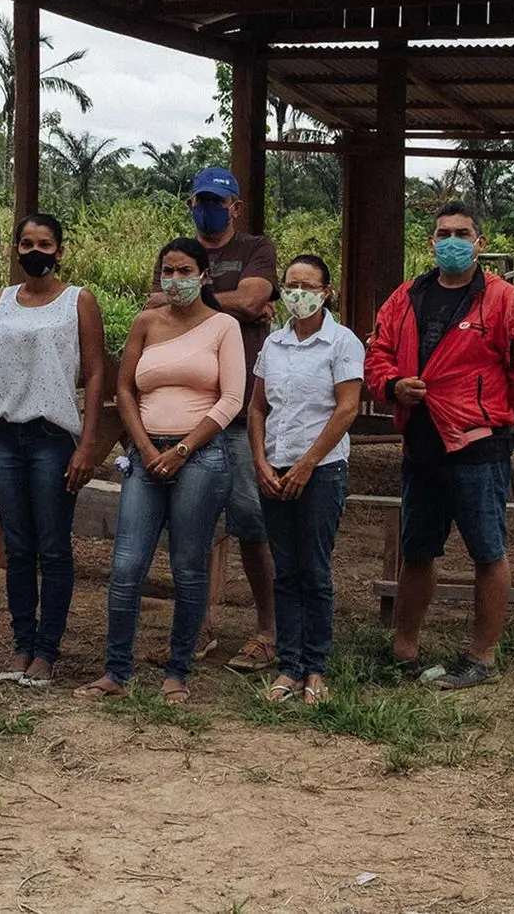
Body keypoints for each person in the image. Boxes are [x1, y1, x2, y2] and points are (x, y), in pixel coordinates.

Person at [363, 202, 514, 691]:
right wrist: (392, 385)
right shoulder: (405, 297)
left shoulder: (505, 301)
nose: (451, 241)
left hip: (478, 447)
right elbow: (377, 354)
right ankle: (404, 650)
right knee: (417, 549)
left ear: (479, 243)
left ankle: (481, 656)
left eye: (461, 233)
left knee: (487, 551)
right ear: (431, 243)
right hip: (420, 444)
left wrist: (490, 416)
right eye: (443, 233)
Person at [79, 239, 246, 705]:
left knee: (188, 567)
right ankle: (115, 670)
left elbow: (232, 399)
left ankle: (177, 670)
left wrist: (184, 449)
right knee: (127, 565)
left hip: (201, 459)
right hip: (145, 455)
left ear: (205, 275)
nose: (175, 280)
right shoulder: (146, 322)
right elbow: (125, 389)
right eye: (167, 271)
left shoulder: (223, 327)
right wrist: (148, 447)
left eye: (185, 270)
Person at [0, 213, 110, 688]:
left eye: (44, 243)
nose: (34, 251)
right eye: (25, 243)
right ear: (16, 250)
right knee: (19, 546)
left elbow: (95, 373)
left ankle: (48, 650)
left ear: (60, 249)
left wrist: (87, 443)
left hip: (53, 437)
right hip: (7, 435)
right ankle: (22, 643)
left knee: (53, 545)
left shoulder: (77, 302)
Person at [144, 166, 278, 673]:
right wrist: (235, 306)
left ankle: (267, 632)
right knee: (190, 529)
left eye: (218, 201)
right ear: (190, 204)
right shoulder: (176, 252)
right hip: (185, 419)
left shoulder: (256, 248)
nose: (209, 208)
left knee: (251, 524)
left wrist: (192, 303)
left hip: (240, 415)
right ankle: (195, 631)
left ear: (235, 206)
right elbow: (156, 310)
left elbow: (254, 298)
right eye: (202, 200)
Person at [249, 254, 364, 705]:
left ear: (326, 292)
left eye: (308, 285)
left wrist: (307, 464)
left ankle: (315, 666)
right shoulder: (273, 345)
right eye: (291, 284)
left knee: (314, 570)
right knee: (286, 569)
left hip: (321, 471)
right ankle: (289, 666)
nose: (299, 293)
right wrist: (260, 460)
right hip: (273, 470)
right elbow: (258, 408)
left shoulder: (342, 343)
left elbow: (346, 408)